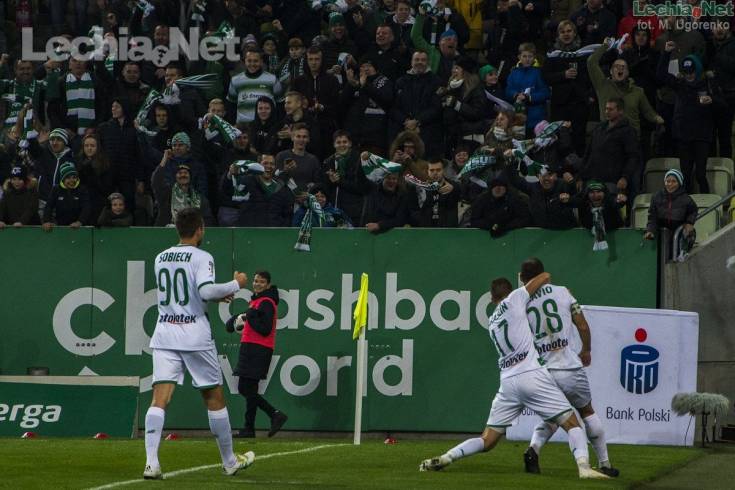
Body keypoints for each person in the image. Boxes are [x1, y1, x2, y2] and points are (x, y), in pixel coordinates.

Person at [419, 272, 608, 480]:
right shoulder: (515, 299)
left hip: (508, 383)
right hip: (531, 376)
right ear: (510, 292)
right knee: (572, 423)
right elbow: (544, 276)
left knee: (487, 440)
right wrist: (560, 293)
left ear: (492, 299)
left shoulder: (492, 321)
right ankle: (584, 468)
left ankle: (447, 457)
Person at [143, 207, 254, 479]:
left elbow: (188, 292)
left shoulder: (161, 257)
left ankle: (151, 463)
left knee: (160, 398)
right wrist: (236, 284)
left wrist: (216, 295)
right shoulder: (202, 256)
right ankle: (229, 462)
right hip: (194, 334)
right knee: (213, 396)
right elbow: (204, 290)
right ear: (200, 229)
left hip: (165, 333)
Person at [518, 258, 620, 478]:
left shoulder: (520, 302)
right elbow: (582, 325)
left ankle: (533, 449)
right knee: (586, 411)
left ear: (523, 278)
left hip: (544, 370)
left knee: (554, 417)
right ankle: (604, 463)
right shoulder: (563, 292)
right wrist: (586, 350)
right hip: (568, 366)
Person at [225, 270, 289, 438]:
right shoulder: (257, 301)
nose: (257, 284)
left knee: (245, 388)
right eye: (255, 281)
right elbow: (253, 320)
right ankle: (249, 428)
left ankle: (274, 414)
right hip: (251, 347)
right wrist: (240, 317)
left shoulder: (266, 302)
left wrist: (250, 316)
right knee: (249, 389)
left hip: (258, 348)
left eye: (261, 282)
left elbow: (265, 329)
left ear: (268, 285)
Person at [644, 169, 697, 242]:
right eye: (667, 181)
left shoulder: (686, 199)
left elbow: (693, 211)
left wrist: (689, 223)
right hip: (661, 234)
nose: (670, 184)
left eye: (674, 181)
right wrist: (650, 230)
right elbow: (652, 216)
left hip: (679, 235)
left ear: (679, 183)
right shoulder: (656, 197)